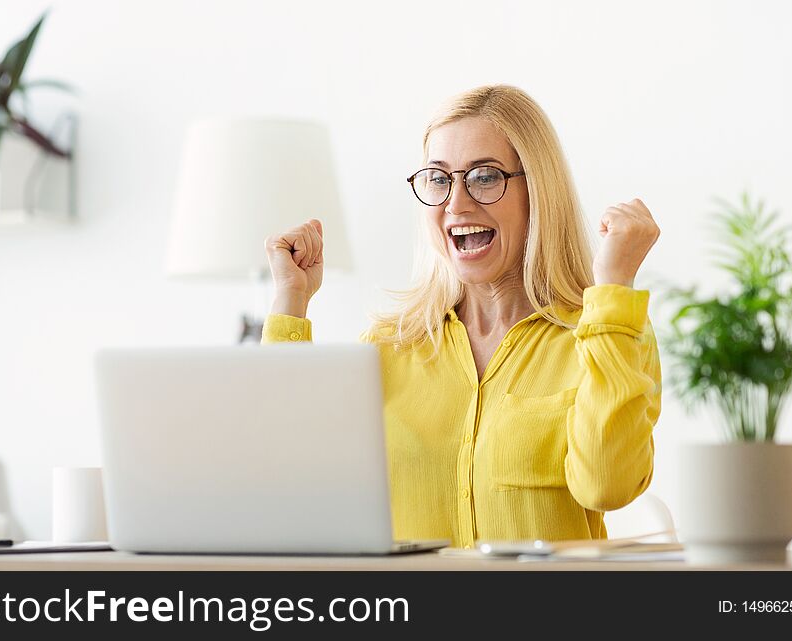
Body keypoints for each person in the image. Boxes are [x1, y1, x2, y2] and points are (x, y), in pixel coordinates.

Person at [262, 84, 662, 548]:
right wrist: (291, 300)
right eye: (438, 178)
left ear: (539, 190)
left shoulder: (607, 335)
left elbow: (607, 485)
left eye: (485, 177)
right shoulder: (389, 344)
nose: (456, 204)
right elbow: (288, 480)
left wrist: (612, 286)